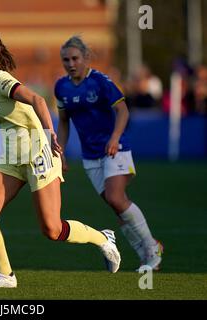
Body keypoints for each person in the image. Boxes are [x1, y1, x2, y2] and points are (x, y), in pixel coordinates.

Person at [0, 32, 121, 288]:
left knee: (52, 230)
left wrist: (49, 133)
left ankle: (102, 238)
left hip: (37, 154)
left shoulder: (1, 81)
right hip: (11, 157)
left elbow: (37, 100)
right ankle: (6, 276)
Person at [54, 36, 163, 271]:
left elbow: (122, 111)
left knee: (115, 197)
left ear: (85, 58)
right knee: (116, 205)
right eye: (66, 60)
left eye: (75, 58)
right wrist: (59, 151)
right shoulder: (61, 87)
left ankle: (152, 249)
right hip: (90, 155)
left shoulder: (101, 82)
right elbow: (63, 122)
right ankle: (145, 255)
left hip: (115, 148)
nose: (71, 63)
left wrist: (114, 138)